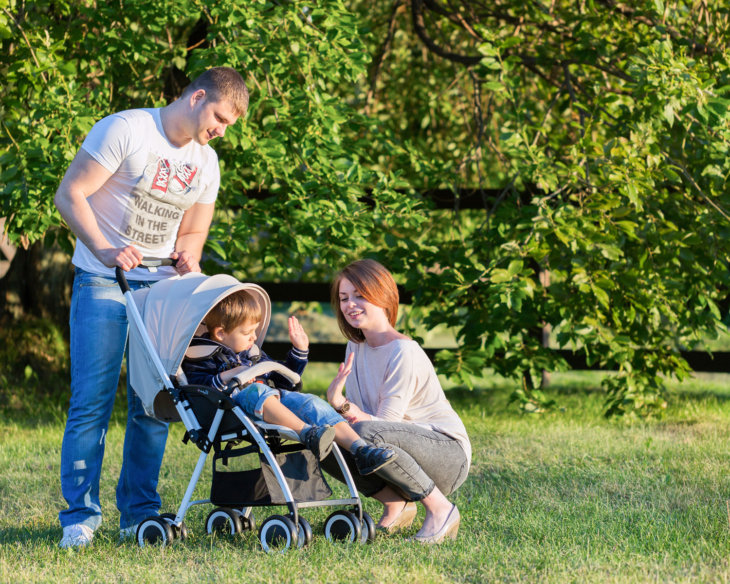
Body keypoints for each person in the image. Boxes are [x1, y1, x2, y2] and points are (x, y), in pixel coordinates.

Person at [53, 67, 249, 548]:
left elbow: (194, 231)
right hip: (103, 279)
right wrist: (103, 248)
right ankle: (80, 517)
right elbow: (69, 194)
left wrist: (190, 255)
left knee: (154, 404)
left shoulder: (207, 163)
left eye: (228, 125)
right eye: (220, 117)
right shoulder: (126, 129)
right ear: (197, 96)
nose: (221, 130)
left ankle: (137, 512)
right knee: (90, 405)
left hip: (159, 291)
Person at [324, 259, 471, 544]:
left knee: (362, 435)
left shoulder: (403, 351)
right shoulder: (355, 346)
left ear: (383, 295)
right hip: (396, 451)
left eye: (360, 295)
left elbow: (381, 426)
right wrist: (338, 403)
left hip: (447, 456)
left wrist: (344, 410)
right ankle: (396, 503)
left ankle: (441, 510)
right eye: (344, 298)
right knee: (324, 438)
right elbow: (361, 419)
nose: (350, 304)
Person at [181, 289, 398, 475]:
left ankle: (362, 450)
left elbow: (285, 379)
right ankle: (307, 433)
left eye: (255, 330)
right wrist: (229, 375)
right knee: (255, 390)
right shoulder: (200, 356)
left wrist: (299, 351)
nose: (254, 338)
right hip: (232, 411)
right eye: (247, 332)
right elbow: (201, 389)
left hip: (273, 400)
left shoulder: (251, 352)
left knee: (311, 402)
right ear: (220, 333)